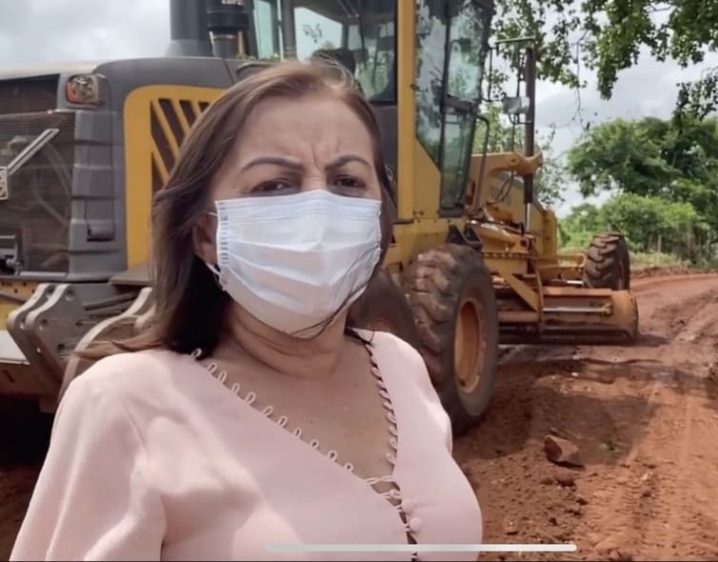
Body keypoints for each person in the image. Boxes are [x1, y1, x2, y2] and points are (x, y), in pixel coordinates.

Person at [10, 59, 482, 561]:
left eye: (347, 181)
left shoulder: (398, 366)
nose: (318, 215)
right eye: (274, 186)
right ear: (206, 234)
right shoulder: (124, 405)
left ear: (378, 215)